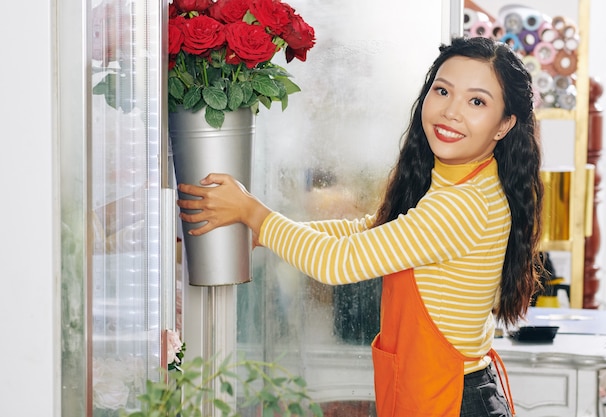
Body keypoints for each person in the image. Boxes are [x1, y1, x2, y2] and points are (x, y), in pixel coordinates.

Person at [177, 36, 543, 417]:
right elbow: (370, 232)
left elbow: (339, 263)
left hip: (452, 401)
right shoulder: (461, 181)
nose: (451, 111)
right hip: (442, 392)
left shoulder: (464, 205)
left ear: (504, 125)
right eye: (443, 90)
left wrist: (255, 215)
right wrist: (262, 232)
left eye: (477, 101)